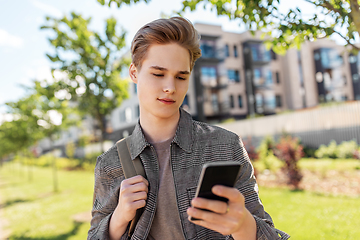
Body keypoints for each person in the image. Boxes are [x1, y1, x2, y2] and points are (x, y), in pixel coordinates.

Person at [88, 17, 290, 240]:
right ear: (134, 73)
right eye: (158, 74)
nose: (170, 88)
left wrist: (243, 224)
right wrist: (118, 220)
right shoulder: (109, 164)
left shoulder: (226, 146)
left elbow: (268, 234)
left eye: (181, 77)